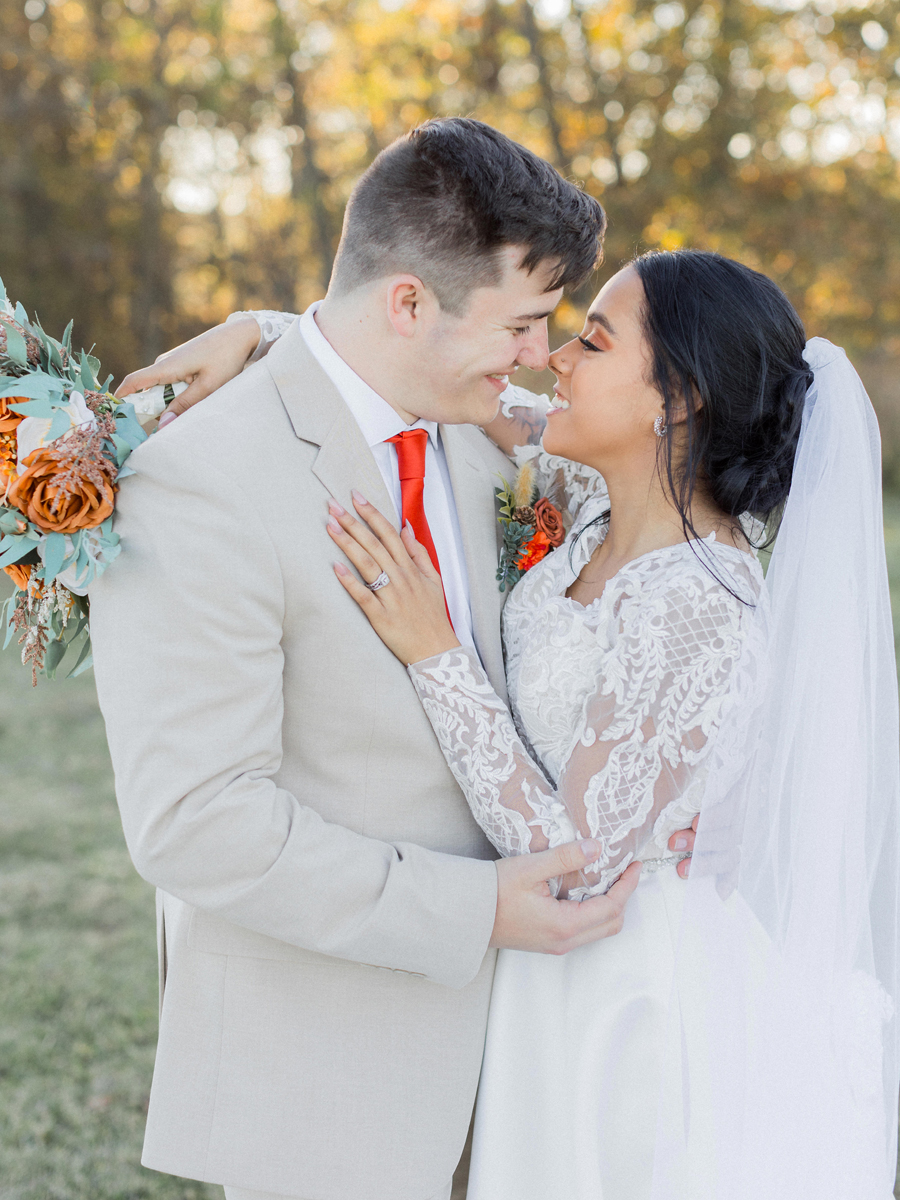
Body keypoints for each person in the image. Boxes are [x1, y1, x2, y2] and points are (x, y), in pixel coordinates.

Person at [90, 118, 702, 1200]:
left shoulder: (470, 417)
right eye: (522, 324)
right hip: (332, 1079)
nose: (540, 359)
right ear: (410, 303)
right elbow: (196, 823)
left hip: (527, 1066)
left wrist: (267, 325)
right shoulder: (199, 483)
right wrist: (478, 912)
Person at [285, 250, 900, 1198]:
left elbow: (572, 864)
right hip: (545, 979)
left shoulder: (703, 600)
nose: (555, 359)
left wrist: (433, 652)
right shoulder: (588, 506)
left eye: (593, 341)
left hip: (622, 994)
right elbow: (431, 378)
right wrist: (265, 334)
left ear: (680, 397)